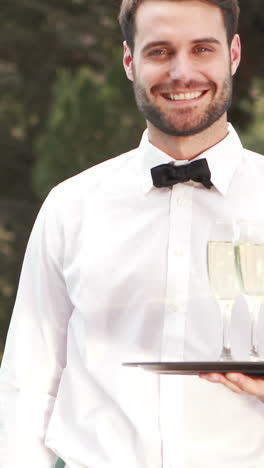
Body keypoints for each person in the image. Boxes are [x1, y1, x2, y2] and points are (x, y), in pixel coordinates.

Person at [1, 0, 264, 467]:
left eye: (203, 48)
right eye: (159, 51)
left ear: (234, 54)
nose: (182, 72)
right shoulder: (70, 207)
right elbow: (29, 384)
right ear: (129, 61)